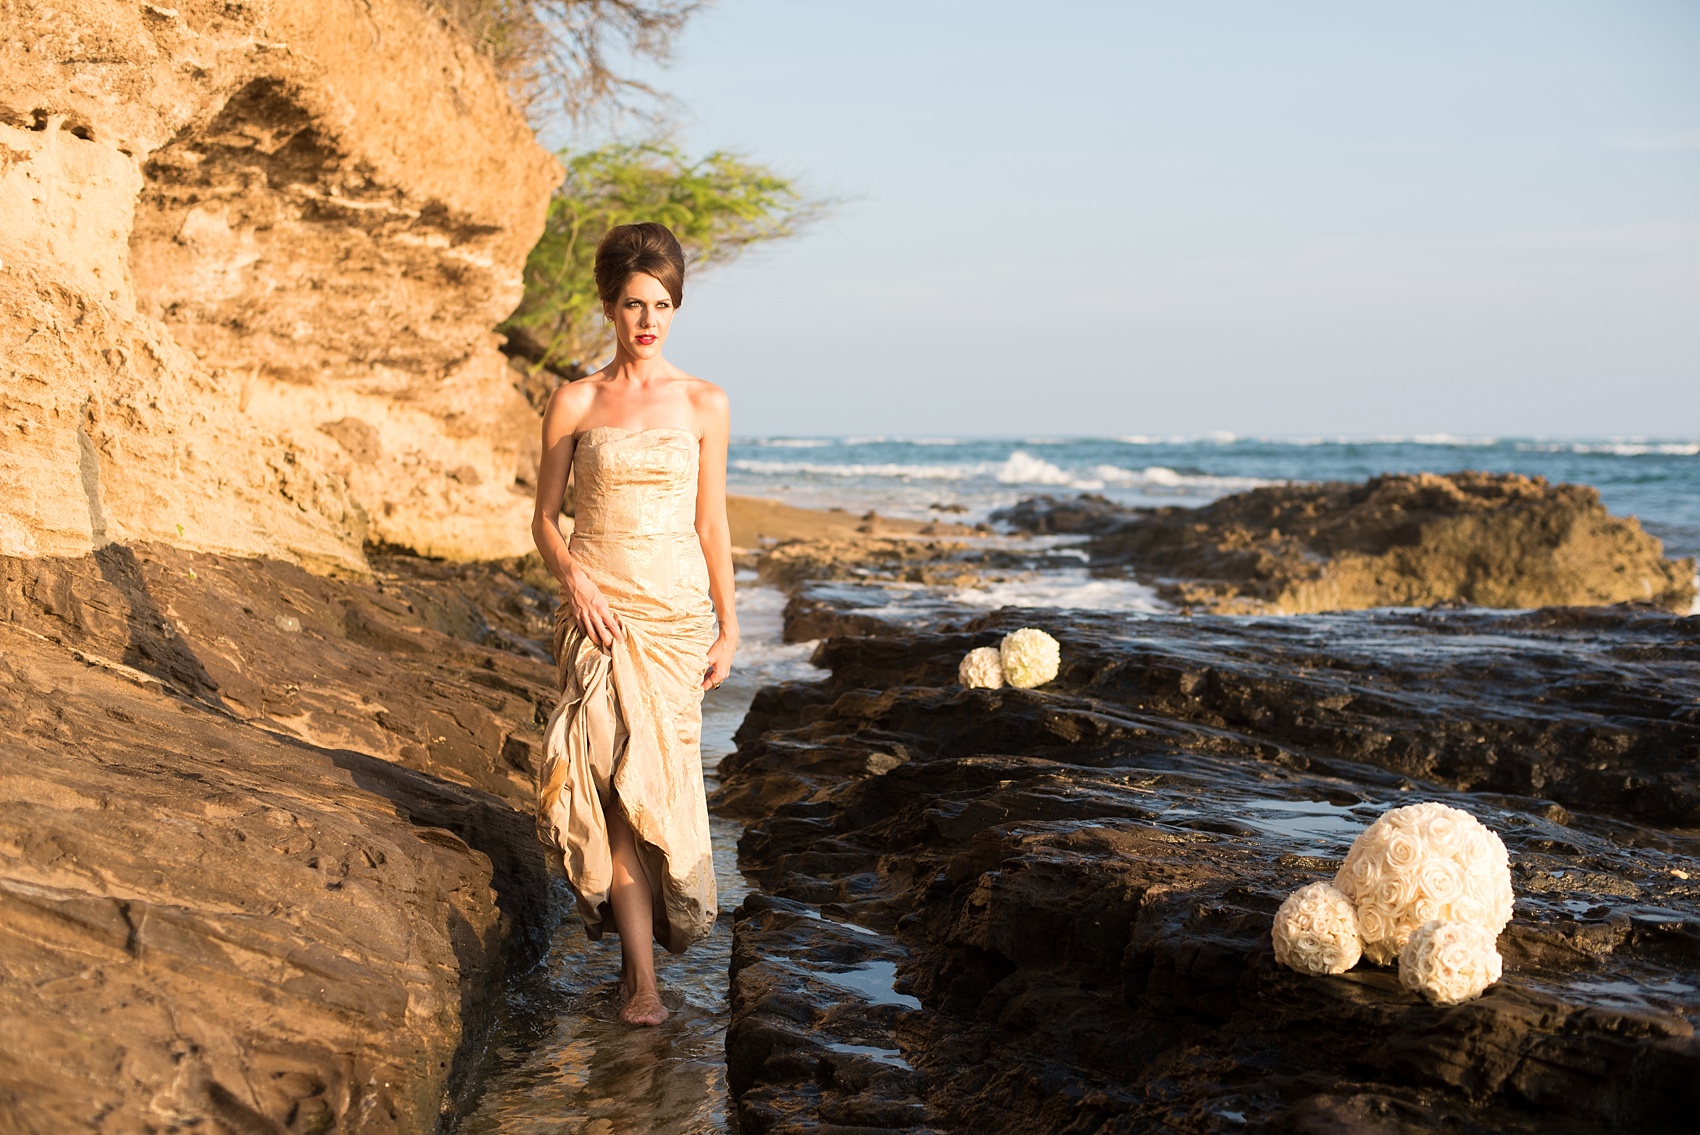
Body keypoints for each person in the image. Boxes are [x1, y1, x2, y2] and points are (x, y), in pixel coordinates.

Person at [530, 222, 738, 1027]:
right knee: (612, 789)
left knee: (650, 788)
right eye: (631, 304)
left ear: (676, 308)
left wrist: (730, 625)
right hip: (599, 615)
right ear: (609, 307)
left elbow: (712, 524)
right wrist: (575, 579)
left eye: (661, 304)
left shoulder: (705, 402)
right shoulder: (575, 399)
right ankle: (643, 984)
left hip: (675, 619)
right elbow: (545, 518)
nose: (647, 320)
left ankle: (635, 977)